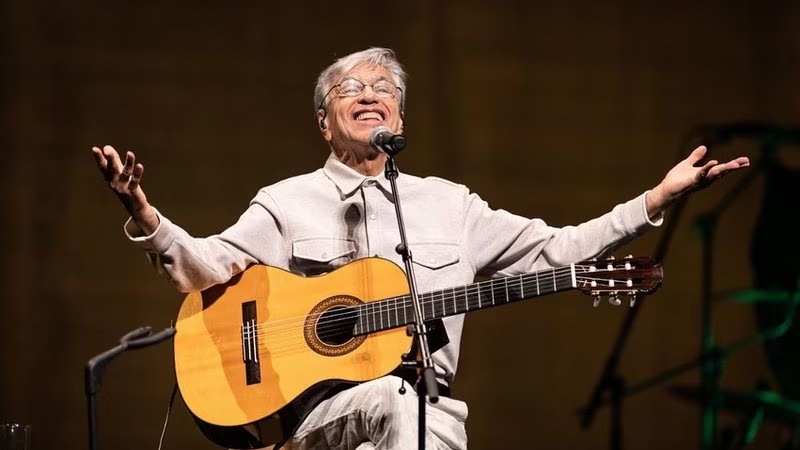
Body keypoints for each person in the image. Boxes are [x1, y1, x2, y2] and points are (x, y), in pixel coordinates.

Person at [91, 47, 749, 450]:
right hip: (317, 419)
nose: (371, 94)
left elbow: (559, 250)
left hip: (425, 423)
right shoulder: (284, 201)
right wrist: (144, 212)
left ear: (400, 120)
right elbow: (205, 268)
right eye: (352, 89)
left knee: (415, 415)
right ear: (324, 120)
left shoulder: (451, 205)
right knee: (395, 403)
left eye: (385, 90)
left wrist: (654, 201)